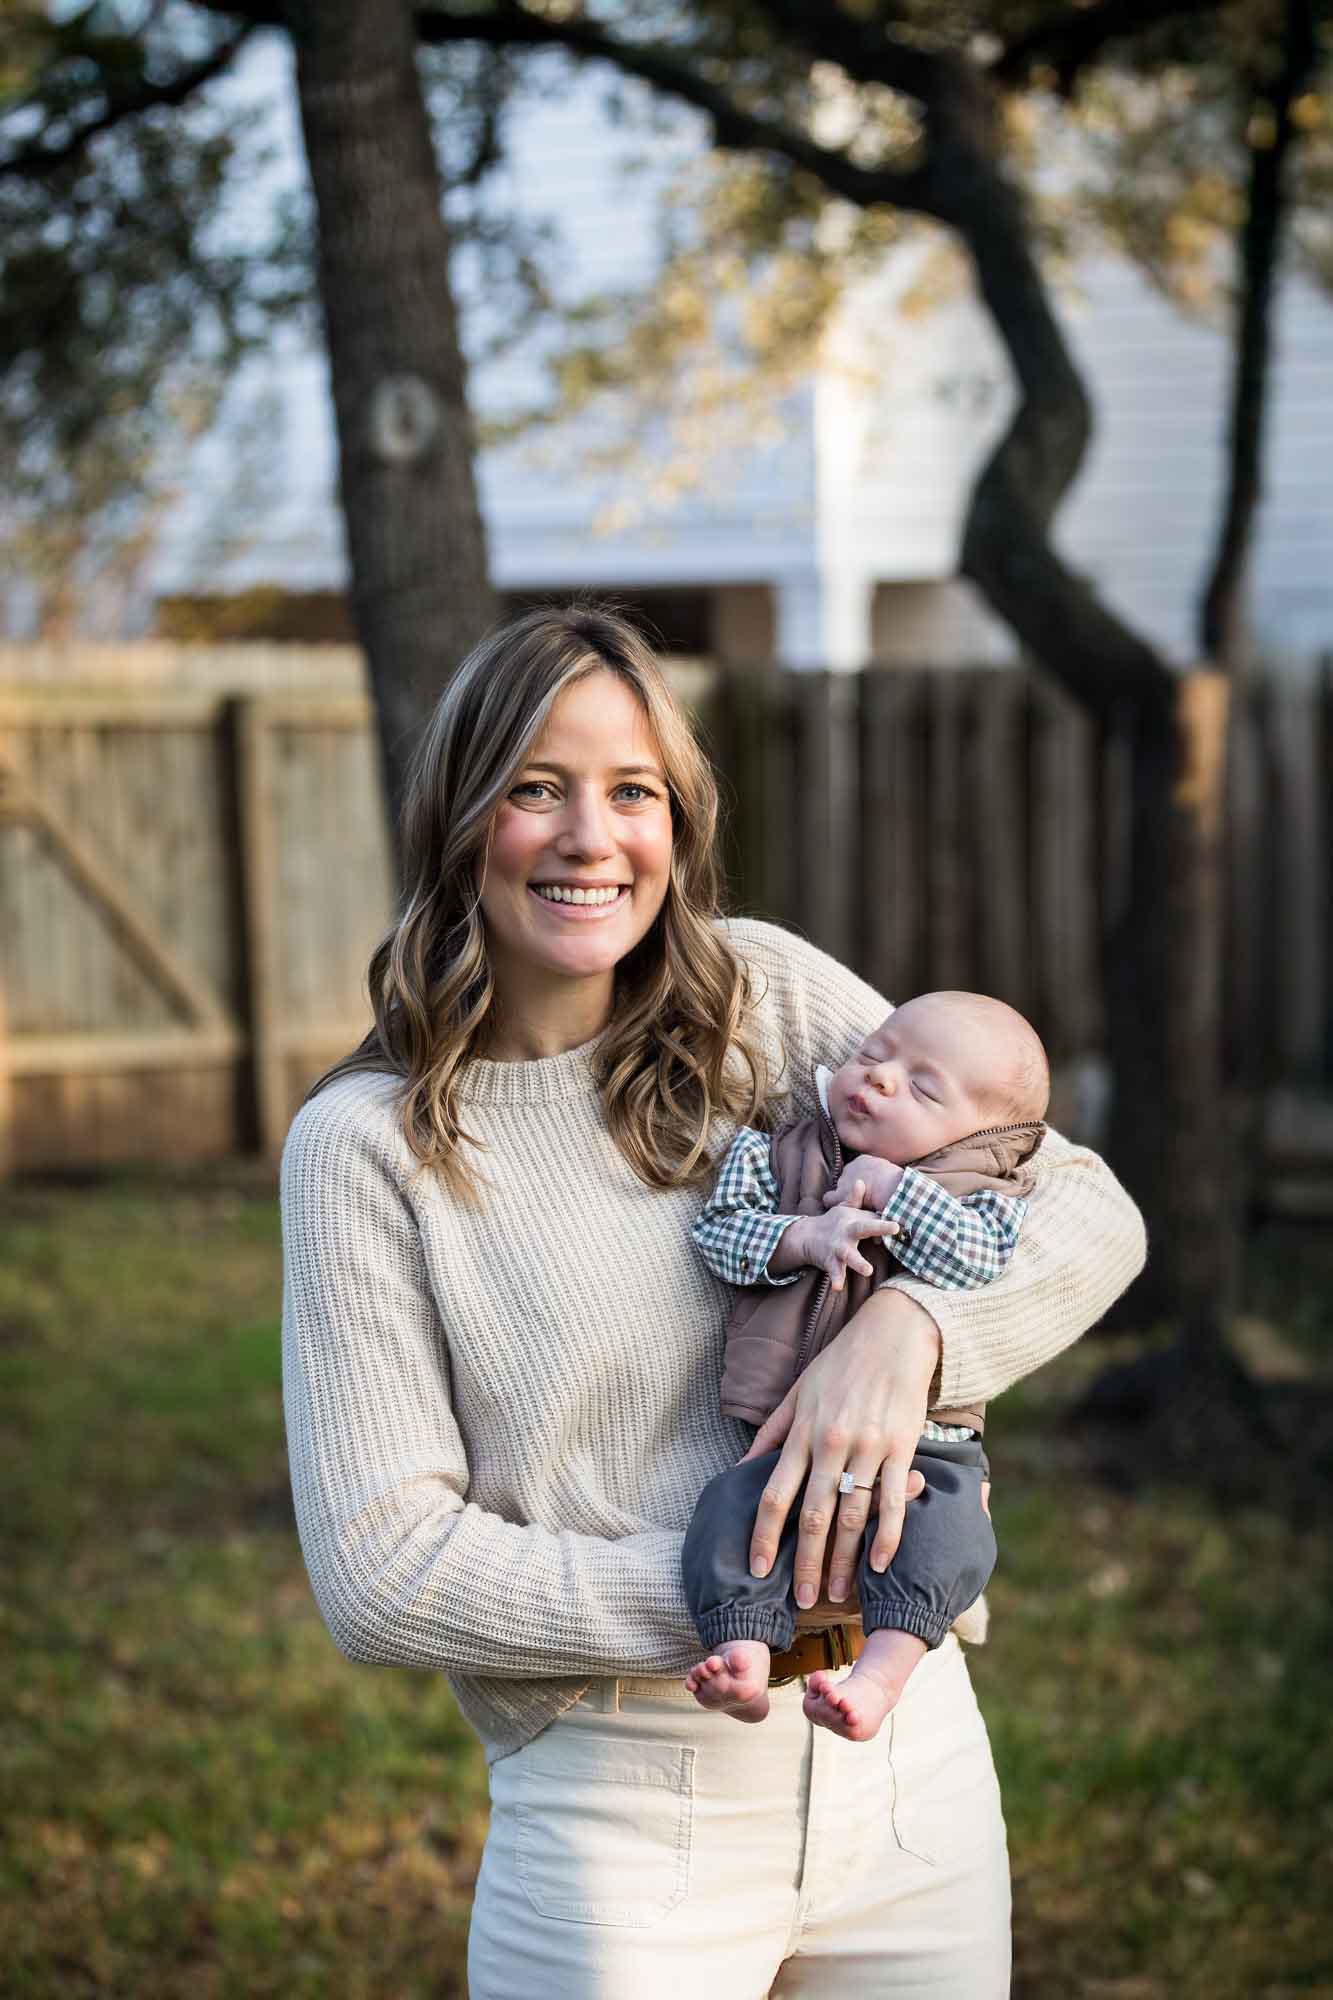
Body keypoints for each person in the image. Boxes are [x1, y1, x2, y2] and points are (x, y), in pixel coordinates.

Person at [280, 603, 1147, 1998]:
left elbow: (1085, 1204)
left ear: (675, 821)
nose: (589, 837)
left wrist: (912, 1333)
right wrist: (770, 1598)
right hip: (628, 1819)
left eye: (632, 791)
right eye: (533, 789)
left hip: (909, 1786)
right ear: (457, 818)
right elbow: (384, 1572)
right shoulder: (370, 1148)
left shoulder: (764, 1000)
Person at [683, 991, 1048, 1741]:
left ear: (980, 1136)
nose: (878, 1079)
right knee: (730, 1518)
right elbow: (718, 1235)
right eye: (873, 1054)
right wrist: (803, 1238)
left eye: (920, 1087)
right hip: (784, 1436)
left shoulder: (985, 1195)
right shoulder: (775, 1151)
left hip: (932, 1444)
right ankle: (743, 1656)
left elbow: (979, 1264)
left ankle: (880, 1677)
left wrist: (896, 1190)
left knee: (946, 1538)